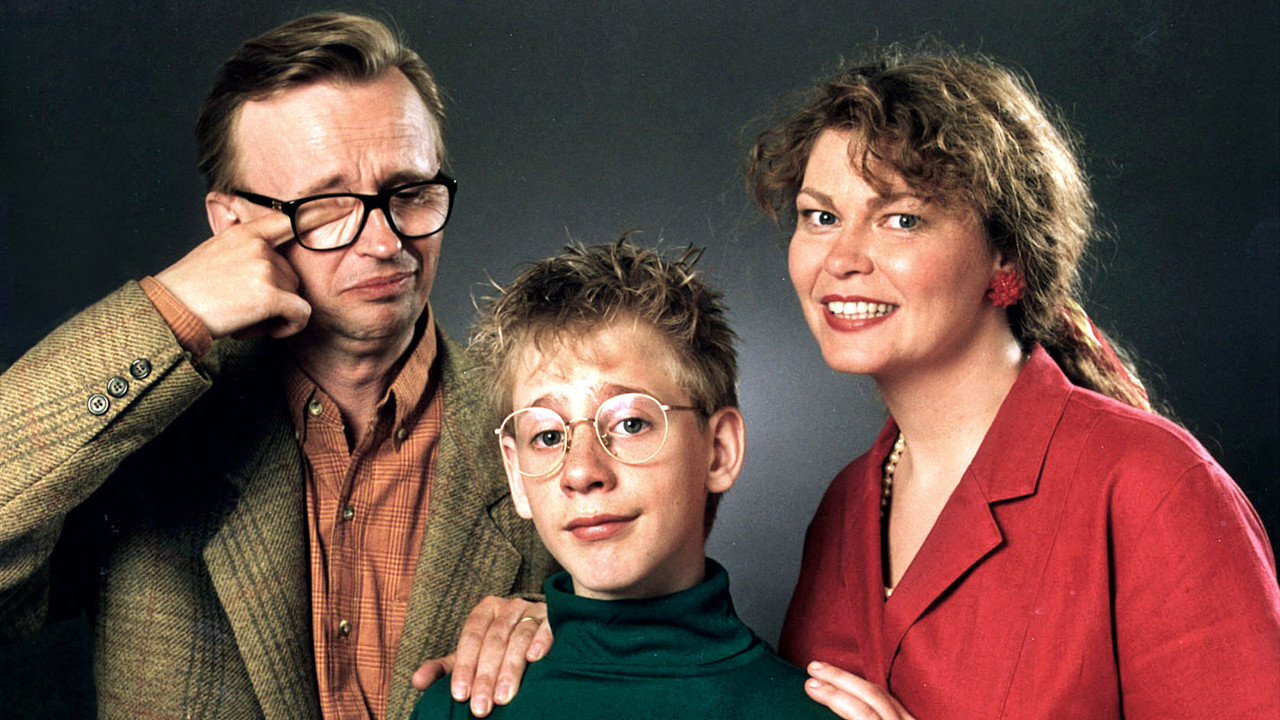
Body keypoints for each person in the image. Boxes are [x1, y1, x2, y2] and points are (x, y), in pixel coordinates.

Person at [0, 13, 555, 720]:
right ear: (231, 227)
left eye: (410, 193)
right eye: (327, 207)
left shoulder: (550, 432)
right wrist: (169, 311)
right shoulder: (150, 438)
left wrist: (579, 628)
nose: (386, 243)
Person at [742, 47, 1280, 718]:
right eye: (820, 217)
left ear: (1006, 254)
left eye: (901, 219)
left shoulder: (1151, 484)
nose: (841, 259)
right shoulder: (843, 507)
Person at [409, 239, 835, 719]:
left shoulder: (809, 712)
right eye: (548, 436)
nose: (581, 471)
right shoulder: (453, 711)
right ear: (516, 475)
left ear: (719, 450)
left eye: (631, 424)